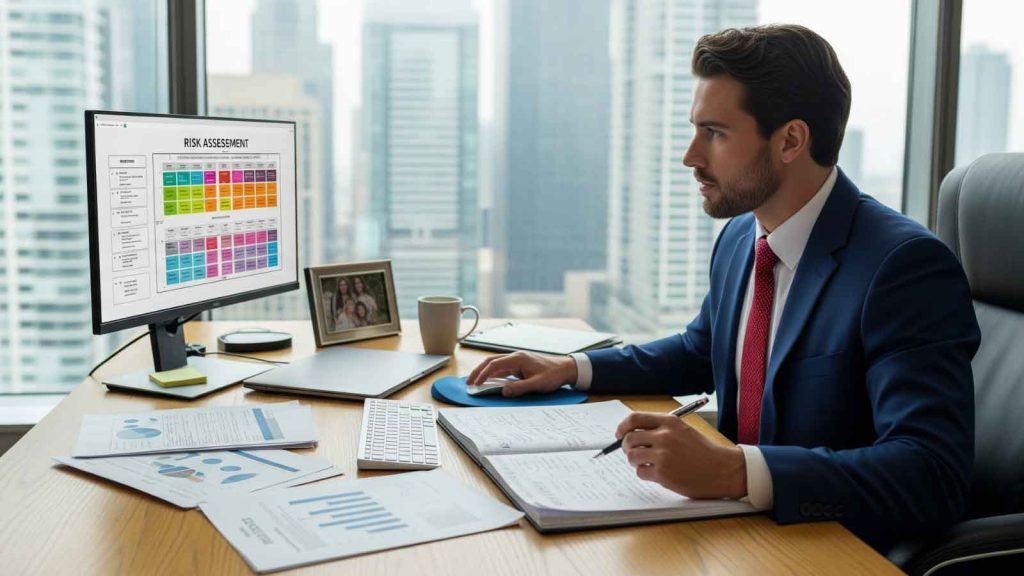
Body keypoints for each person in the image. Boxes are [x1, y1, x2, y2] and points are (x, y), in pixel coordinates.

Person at [468, 24, 980, 553]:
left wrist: (738, 471)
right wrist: (574, 368)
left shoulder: (903, 267)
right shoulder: (742, 236)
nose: (691, 156)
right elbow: (699, 350)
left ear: (790, 140)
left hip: (828, 547)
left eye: (714, 133)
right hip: (736, 535)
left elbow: (931, 472)